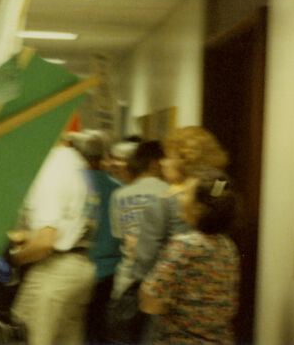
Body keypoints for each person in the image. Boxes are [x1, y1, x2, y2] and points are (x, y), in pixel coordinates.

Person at [8, 134, 96, 345]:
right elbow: (68, 222)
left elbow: (45, 242)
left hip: (53, 272)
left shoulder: (49, 169)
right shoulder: (75, 162)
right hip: (80, 267)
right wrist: (27, 235)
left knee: (25, 337)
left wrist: (13, 259)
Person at [140, 167, 240, 344]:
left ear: (199, 208)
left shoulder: (184, 245)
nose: (179, 197)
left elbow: (151, 302)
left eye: (185, 193)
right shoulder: (227, 246)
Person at [107, 141, 169, 343]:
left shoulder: (119, 195)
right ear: (155, 163)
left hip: (127, 280)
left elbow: (121, 236)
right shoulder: (172, 193)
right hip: (162, 283)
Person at [69, 130, 123, 345]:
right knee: (99, 331)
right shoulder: (118, 188)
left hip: (76, 269)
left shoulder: (73, 185)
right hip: (110, 271)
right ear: (102, 156)